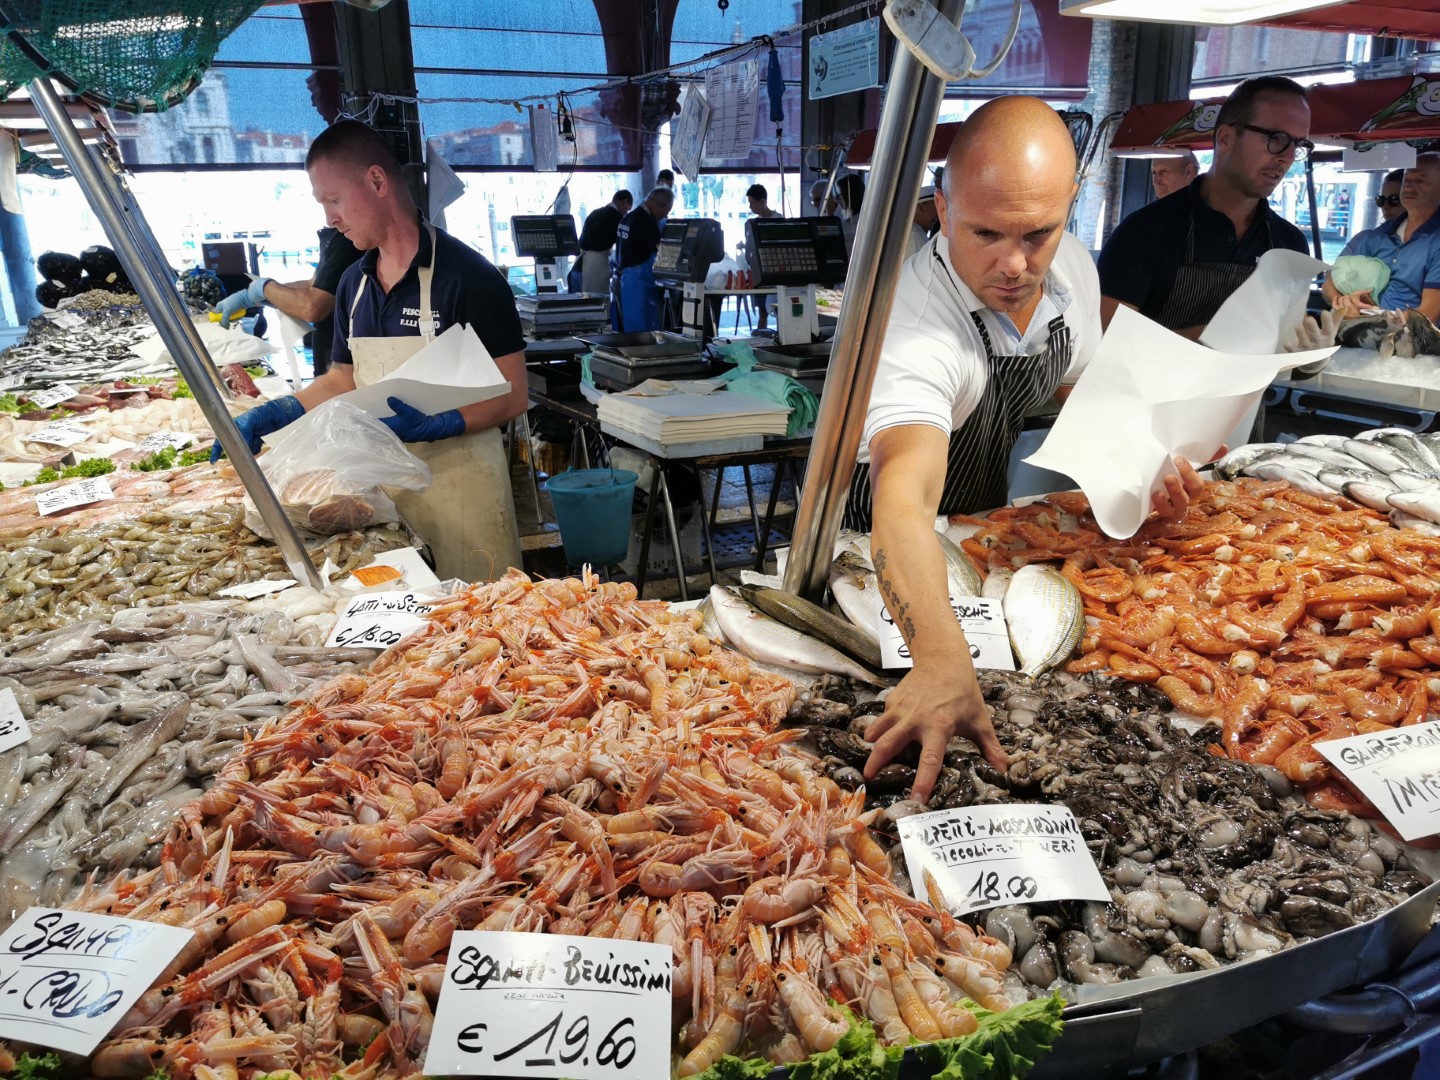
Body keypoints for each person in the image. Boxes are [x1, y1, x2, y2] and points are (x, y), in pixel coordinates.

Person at [845, 97, 1207, 802]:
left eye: (1037, 233)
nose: (1014, 264)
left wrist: (1140, 452)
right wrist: (939, 658)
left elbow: (1080, 387)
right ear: (943, 210)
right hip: (880, 551)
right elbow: (903, 500)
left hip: (977, 536)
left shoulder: (1071, 269)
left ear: (1069, 206)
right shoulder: (915, 329)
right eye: (985, 233)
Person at [221, 120, 529, 582]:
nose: (330, 218)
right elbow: (343, 379)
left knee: (479, 616)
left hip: (465, 498)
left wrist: (443, 423)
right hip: (381, 505)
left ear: (377, 181)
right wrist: (279, 411)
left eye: (333, 199)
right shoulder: (354, 284)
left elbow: (514, 393)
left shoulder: (470, 277)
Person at [1099, 76, 1314, 341]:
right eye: (1276, 139)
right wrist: (1203, 339)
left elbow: (1288, 345)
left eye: (1299, 145)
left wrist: (1308, 351)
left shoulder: (1290, 245)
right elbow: (1105, 341)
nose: (1288, 157)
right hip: (1151, 371)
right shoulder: (1144, 232)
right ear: (1225, 138)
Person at [217, 226, 361, 377]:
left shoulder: (347, 241)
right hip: (326, 344)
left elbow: (312, 307)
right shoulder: (332, 236)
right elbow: (313, 285)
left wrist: (264, 289)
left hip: (344, 349)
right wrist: (252, 297)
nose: (330, 219)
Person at [1323, 154, 1440, 322]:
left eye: (1420, 181)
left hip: (1411, 336)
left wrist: (1371, 318)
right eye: (1407, 180)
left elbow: (1428, 315)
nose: (1409, 187)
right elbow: (1330, 281)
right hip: (1364, 328)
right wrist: (1342, 304)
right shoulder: (1380, 234)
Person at [614, 186, 675, 333]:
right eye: (666, 212)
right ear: (660, 206)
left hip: (625, 279)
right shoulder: (646, 223)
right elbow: (661, 253)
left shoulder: (628, 217)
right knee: (644, 332)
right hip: (639, 281)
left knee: (630, 328)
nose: (665, 216)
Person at [576, 189, 632, 296]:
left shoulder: (596, 212)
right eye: (627, 210)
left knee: (586, 297)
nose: (626, 213)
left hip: (581, 261)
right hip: (597, 263)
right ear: (624, 203)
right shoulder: (616, 218)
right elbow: (623, 244)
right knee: (598, 298)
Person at [746, 183, 780, 330]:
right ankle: (761, 333)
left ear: (762, 201)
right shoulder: (753, 223)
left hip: (775, 271)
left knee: (778, 308)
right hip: (759, 271)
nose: (750, 207)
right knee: (762, 310)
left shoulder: (778, 220)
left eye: (752, 203)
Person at [835, 173, 865, 254]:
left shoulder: (849, 228)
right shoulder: (865, 219)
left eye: (838, 196)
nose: (836, 201)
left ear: (848, 196)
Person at [906, 185, 938, 259]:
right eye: (935, 208)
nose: (937, 215)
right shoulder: (914, 234)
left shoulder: (915, 232)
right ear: (920, 207)